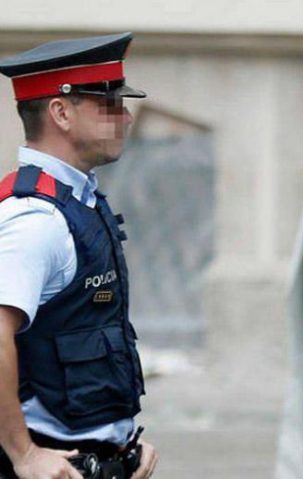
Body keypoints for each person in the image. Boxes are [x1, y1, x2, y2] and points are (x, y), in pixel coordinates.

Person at [0, 33, 158, 479]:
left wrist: (120, 440)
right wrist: (24, 455)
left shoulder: (79, 203)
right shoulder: (34, 219)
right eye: (109, 105)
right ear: (61, 112)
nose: (125, 117)